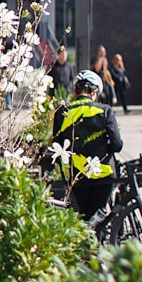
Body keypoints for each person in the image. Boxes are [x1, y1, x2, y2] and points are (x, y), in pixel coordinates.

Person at [49, 69, 124, 221]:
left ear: (75, 91)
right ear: (95, 91)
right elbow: (117, 145)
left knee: (84, 216)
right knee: (98, 217)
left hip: (77, 174)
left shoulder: (62, 112)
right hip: (104, 172)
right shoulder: (105, 111)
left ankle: (87, 241)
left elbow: (56, 145)